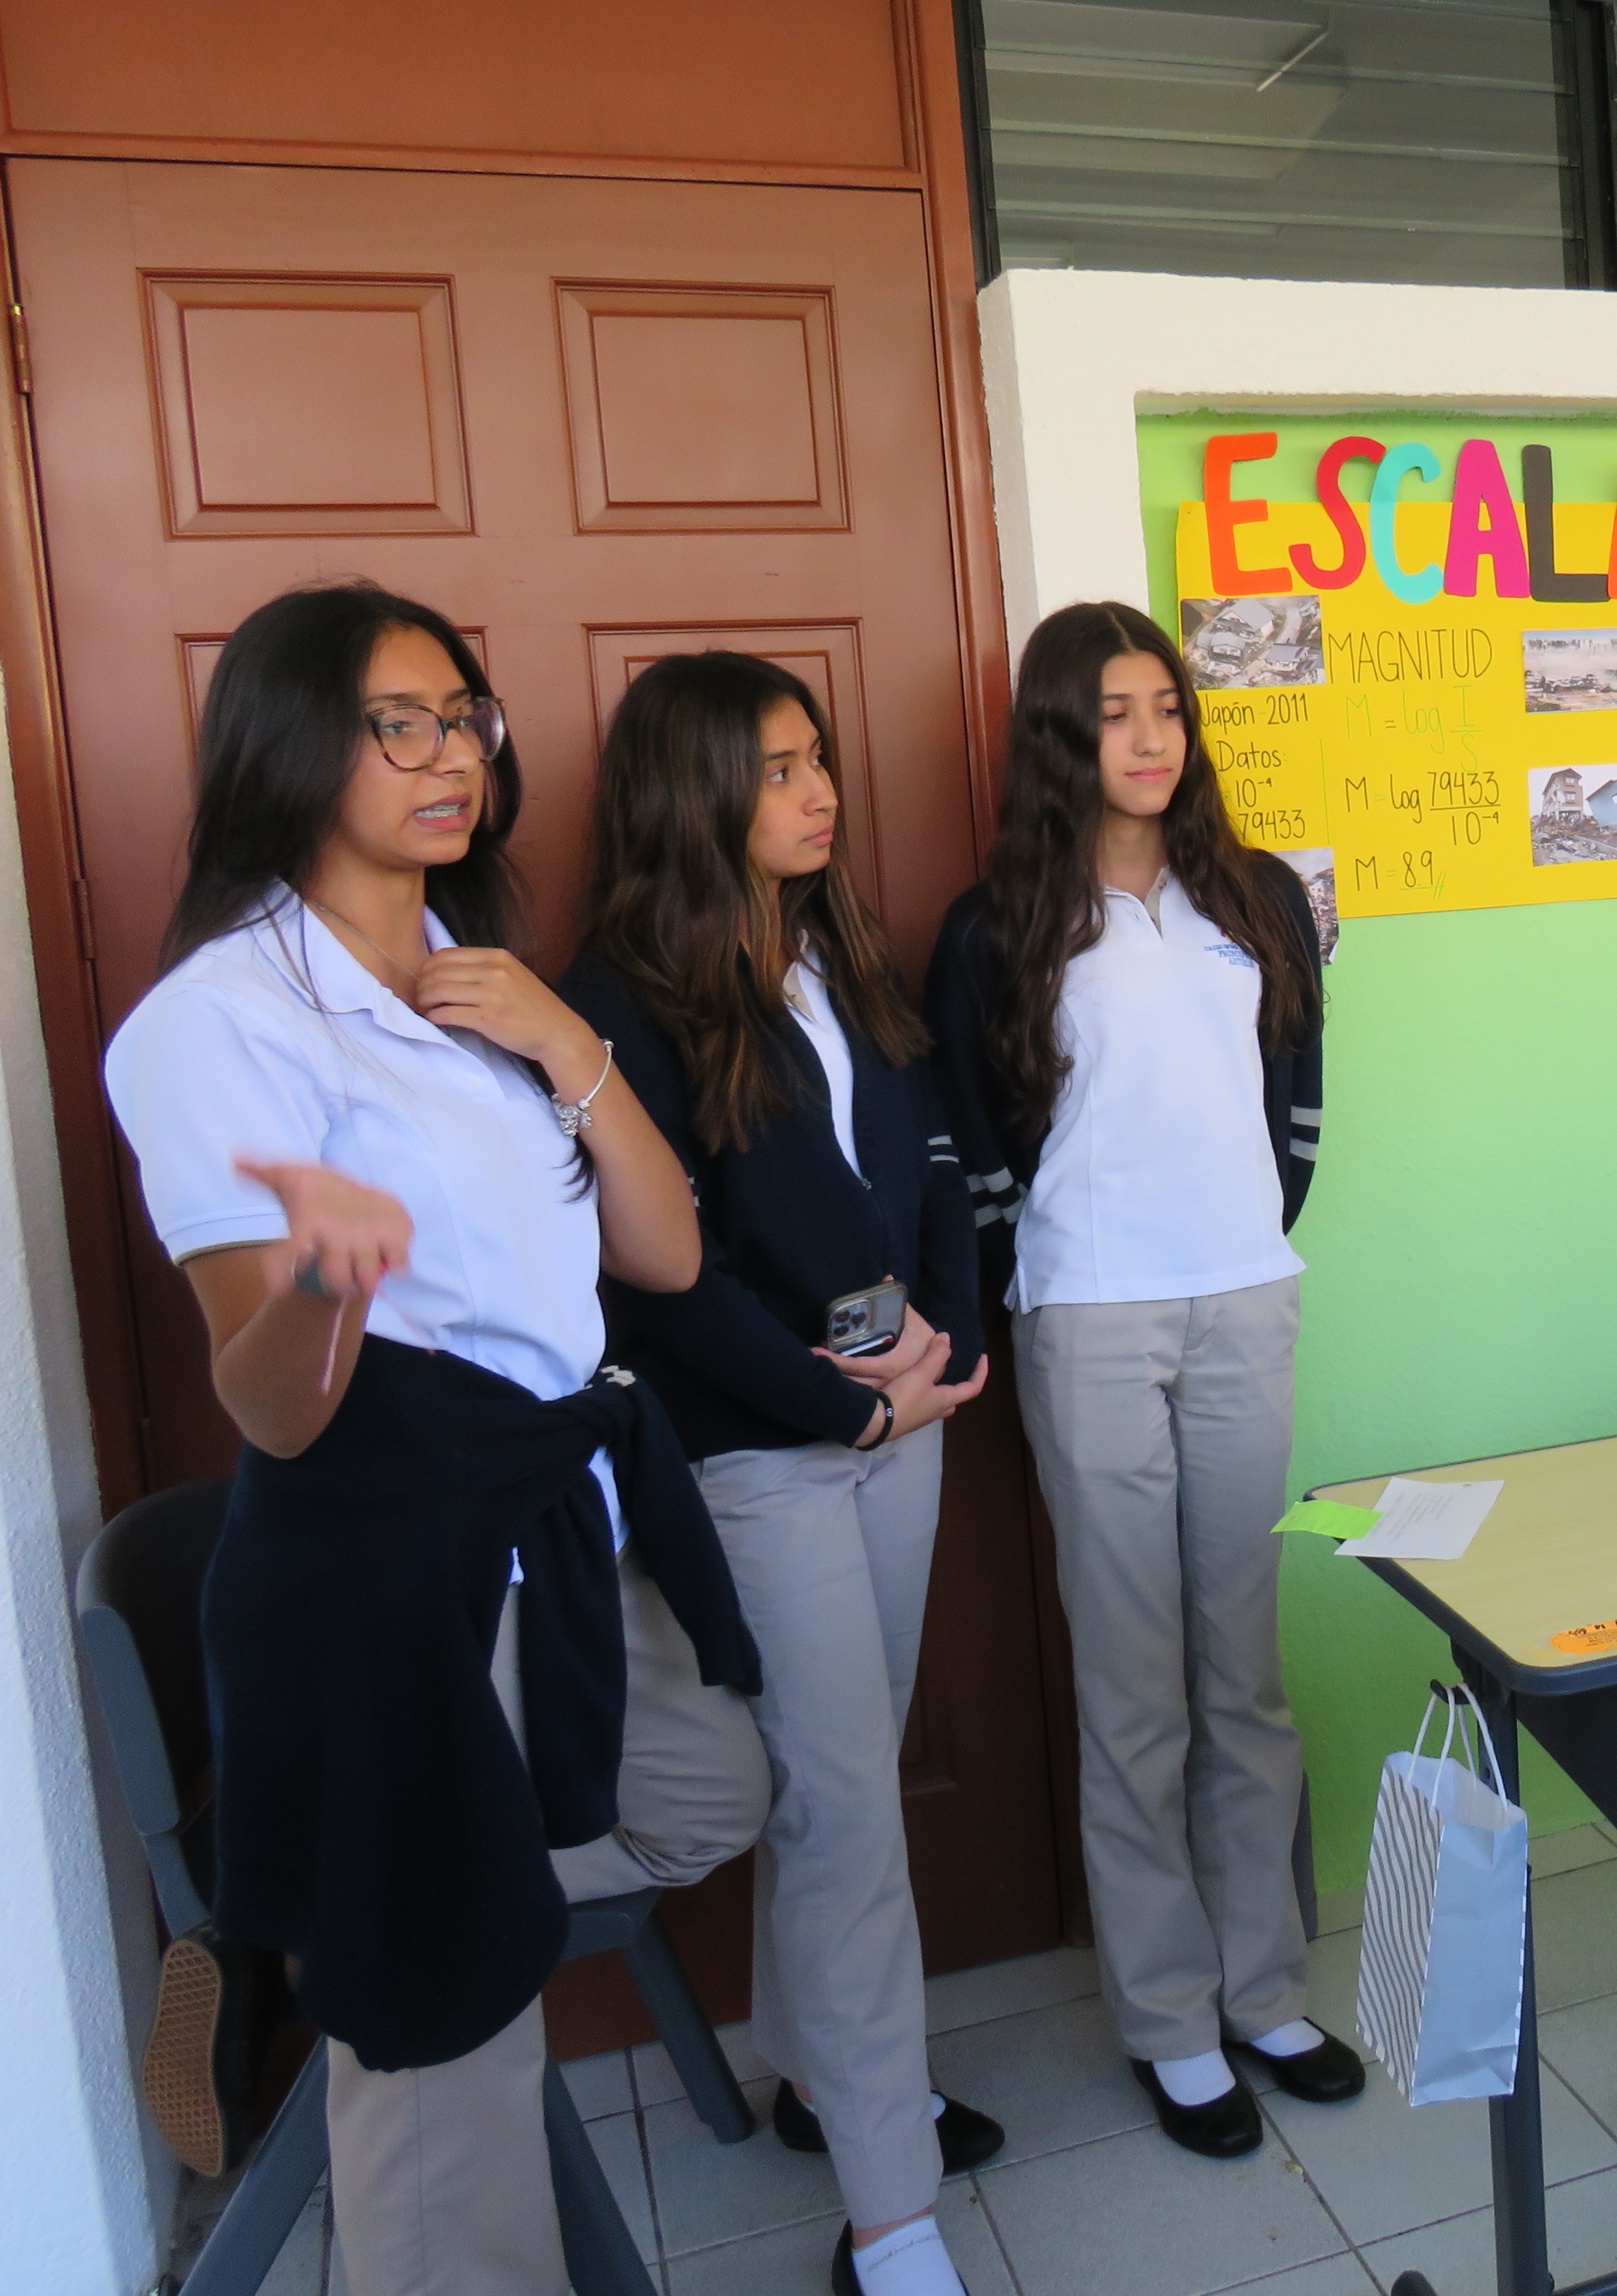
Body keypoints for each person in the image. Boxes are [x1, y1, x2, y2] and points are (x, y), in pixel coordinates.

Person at [102, 584, 771, 2296]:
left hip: (560, 1520)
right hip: (387, 1566)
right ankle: (362, 1929)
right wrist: (329, 1276)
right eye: (395, 723)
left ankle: (292, 1915)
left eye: (464, 716)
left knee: (712, 1786)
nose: (447, 753)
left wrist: (571, 1047)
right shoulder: (215, 1024)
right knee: (444, 2067)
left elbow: (665, 1254)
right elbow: (273, 1406)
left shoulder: (486, 989)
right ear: (288, 746)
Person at [567, 654, 1001, 2296]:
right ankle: (894, 2218)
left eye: (818, 758)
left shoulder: (838, 951)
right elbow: (662, 1281)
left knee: (844, 1784)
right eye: (778, 768)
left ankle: (822, 2078)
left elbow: (938, 1163)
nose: (822, 791)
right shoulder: (620, 1000)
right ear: (692, 794)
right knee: (842, 1815)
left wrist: (948, 1347)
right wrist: (842, 1409)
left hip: (900, 1430)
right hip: (765, 1455)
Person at [925, 601, 1356, 2159]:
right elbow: (975, 1136)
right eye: (1115, 713)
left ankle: (1265, 1991)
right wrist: (1023, 1279)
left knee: (1244, 1676)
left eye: (1168, 707)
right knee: (1133, 1692)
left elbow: (1296, 1087)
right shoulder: (996, 927)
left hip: (1243, 1300)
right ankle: (1171, 2023)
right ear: (1061, 734)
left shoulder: (1253, 893)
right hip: (1091, 1319)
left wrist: (1251, 1222)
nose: (1152, 738)